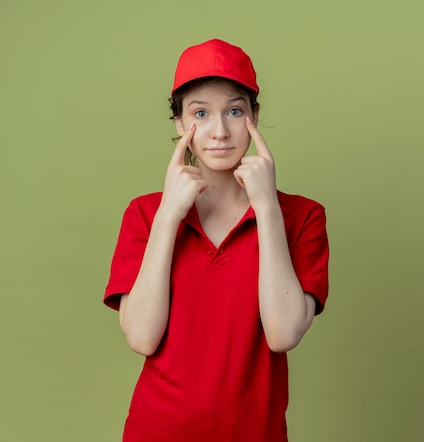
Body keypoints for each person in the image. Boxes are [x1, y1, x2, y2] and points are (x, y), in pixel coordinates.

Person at [104, 39, 329, 442]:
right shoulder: (144, 214)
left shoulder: (302, 217)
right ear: (178, 123)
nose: (219, 132)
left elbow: (283, 334)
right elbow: (141, 336)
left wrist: (267, 210)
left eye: (235, 111)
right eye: (201, 113)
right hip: (156, 431)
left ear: (254, 117)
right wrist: (169, 215)